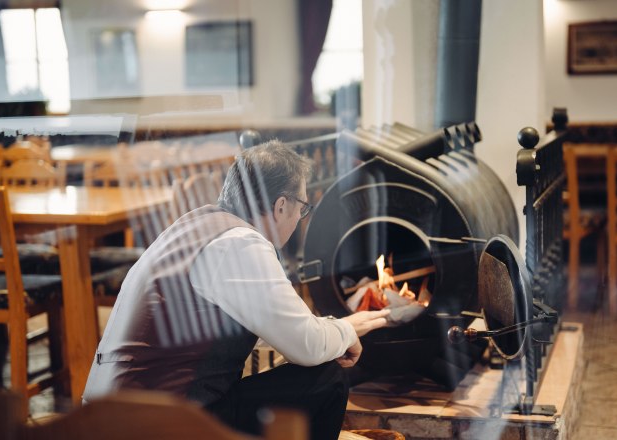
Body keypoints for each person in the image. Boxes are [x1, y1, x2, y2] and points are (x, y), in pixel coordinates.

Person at [83, 141, 390, 440]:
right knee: (326, 379)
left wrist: (325, 333)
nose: (300, 218)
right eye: (303, 207)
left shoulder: (195, 225)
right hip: (160, 425)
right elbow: (307, 346)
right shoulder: (239, 244)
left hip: (110, 414)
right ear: (281, 205)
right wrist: (347, 329)